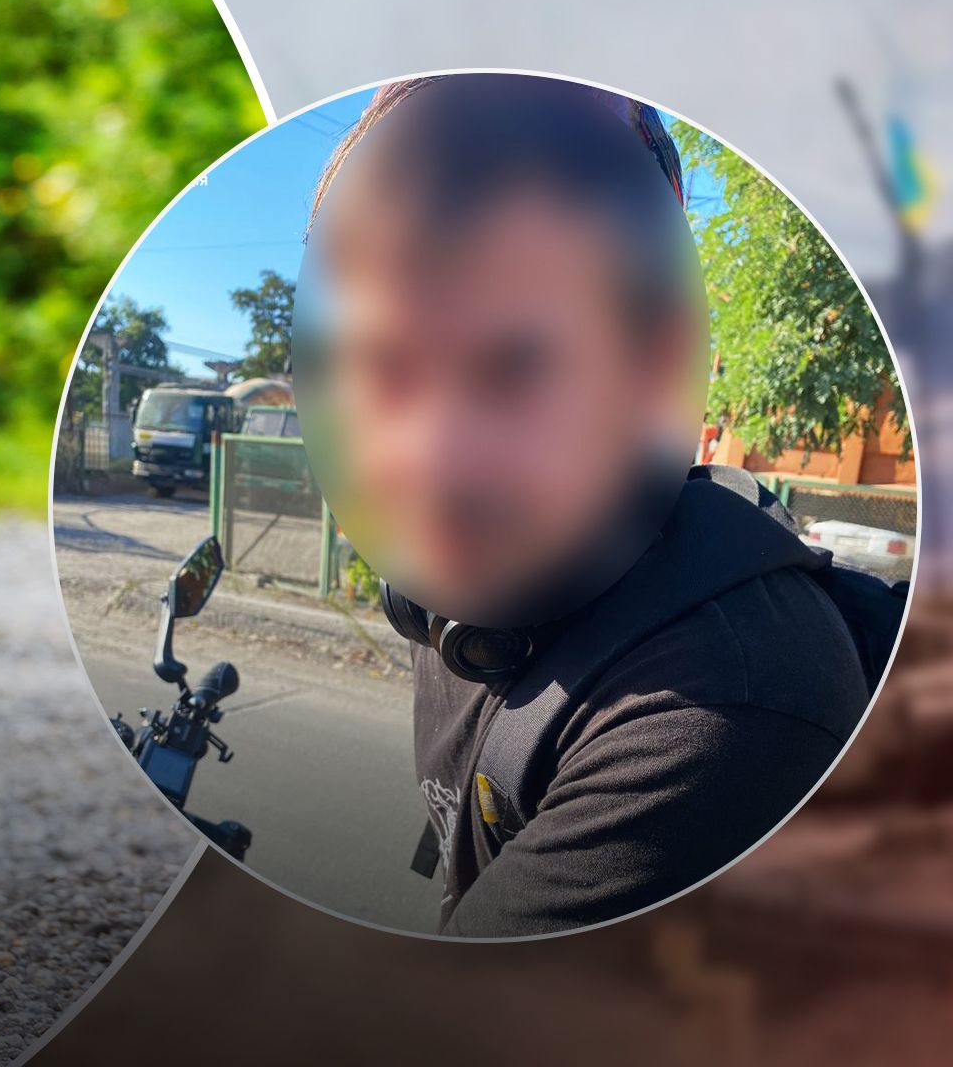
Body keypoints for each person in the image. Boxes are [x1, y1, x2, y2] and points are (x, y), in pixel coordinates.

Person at [301, 74, 871, 936]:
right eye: (385, 368)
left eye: (516, 365)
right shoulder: (465, 589)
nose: (434, 457)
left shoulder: (718, 710)